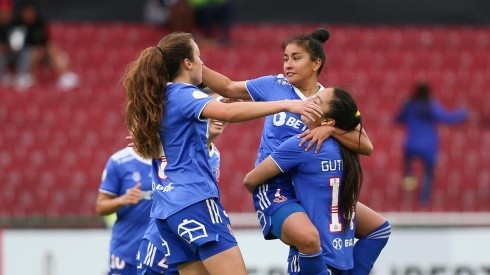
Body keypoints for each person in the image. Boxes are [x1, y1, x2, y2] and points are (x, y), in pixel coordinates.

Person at [122, 32, 322, 275]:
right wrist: (287, 104)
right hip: (194, 201)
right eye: (199, 57)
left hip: (166, 210)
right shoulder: (183, 93)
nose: (202, 64)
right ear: (187, 63)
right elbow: (228, 113)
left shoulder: (159, 98)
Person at [202, 28, 391, 274]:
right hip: (275, 185)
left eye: (296, 58)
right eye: (285, 58)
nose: (288, 64)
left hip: (313, 186)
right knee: (308, 238)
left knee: (380, 228)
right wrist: (194, 65)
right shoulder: (274, 85)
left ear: (316, 63)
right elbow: (227, 87)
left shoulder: (330, 100)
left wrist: (331, 131)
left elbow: (365, 145)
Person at [244, 87, 363, 274]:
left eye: (316, 102)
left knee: (307, 240)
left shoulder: (303, 143)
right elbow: (381, 230)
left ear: (328, 121)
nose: (307, 103)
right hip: (342, 255)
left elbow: (250, 180)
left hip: (313, 254)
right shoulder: (347, 147)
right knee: (379, 228)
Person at [136, 87, 227, 275]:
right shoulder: (174, 147)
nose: (219, 116)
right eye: (212, 110)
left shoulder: (214, 154)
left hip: (191, 246)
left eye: (222, 108)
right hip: (161, 246)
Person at [396, 82, 469, 203]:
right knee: (428, 173)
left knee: (408, 165)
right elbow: (447, 118)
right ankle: (423, 200)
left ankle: (409, 182)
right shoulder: (431, 106)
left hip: (411, 144)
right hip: (428, 146)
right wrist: (463, 113)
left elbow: (397, 118)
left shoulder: (410, 105)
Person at [95, 146, 154, 275]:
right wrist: (122, 200)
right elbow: (100, 206)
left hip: (161, 252)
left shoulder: (173, 159)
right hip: (127, 251)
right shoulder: (118, 161)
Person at [9, 2, 79, 91]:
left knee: (52, 48)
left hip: (40, 52)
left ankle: (65, 75)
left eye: (30, 12)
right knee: (36, 51)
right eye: (26, 12)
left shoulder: (39, 23)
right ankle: (28, 76)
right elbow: (14, 44)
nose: (28, 15)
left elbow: (44, 41)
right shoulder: (16, 24)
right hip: (22, 55)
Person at [0, 0, 14, 86]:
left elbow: (17, 44)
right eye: (2, 12)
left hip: (14, 54)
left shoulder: (16, 23)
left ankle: (23, 75)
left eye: (7, 12)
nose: (4, 14)